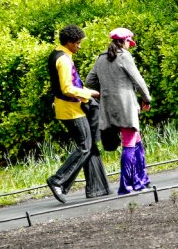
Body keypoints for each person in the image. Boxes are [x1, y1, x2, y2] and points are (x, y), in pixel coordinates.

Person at [47, 24, 111, 203]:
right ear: (68, 42)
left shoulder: (59, 54)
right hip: (70, 110)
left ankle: (98, 187)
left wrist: (90, 92)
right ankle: (57, 181)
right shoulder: (63, 60)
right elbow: (67, 88)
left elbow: (72, 84)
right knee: (85, 146)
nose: (79, 46)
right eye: (77, 43)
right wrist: (90, 94)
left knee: (90, 146)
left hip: (70, 107)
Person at [85, 27, 152, 195]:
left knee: (136, 140)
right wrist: (147, 99)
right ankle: (126, 186)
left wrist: (107, 91)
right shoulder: (124, 57)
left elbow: (89, 81)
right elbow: (138, 79)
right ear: (124, 42)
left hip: (108, 107)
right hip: (126, 106)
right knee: (129, 144)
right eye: (129, 42)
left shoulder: (101, 59)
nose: (130, 45)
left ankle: (141, 180)